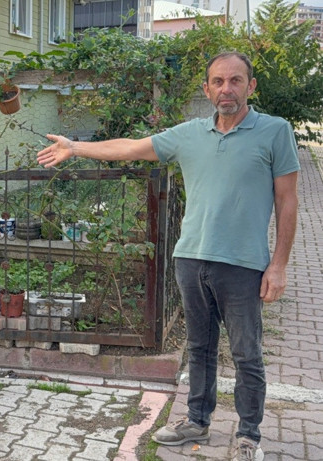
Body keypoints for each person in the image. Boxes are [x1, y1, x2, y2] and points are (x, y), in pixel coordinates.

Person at [37, 52, 299, 461]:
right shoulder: (189, 134)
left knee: (247, 352)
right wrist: (76, 146)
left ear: (251, 86)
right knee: (200, 347)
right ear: (207, 88)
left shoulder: (275, 132)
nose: (226, 89)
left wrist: (278, 264)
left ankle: (248, 435)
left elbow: (287, 201)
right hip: (191, 259)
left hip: (244, 264)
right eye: (217, 81)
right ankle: (197, 420)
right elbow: (129, 148)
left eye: (235, 81)